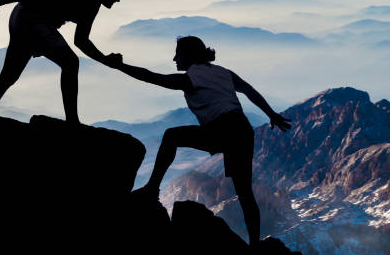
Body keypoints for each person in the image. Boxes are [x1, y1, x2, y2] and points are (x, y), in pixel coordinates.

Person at [114, 35, 291, 246]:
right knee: (245, 191)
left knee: (171, 136)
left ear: (188, 55)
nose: (174, 59)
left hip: (220, 129)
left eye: (177, 54)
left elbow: (151, 77)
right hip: (242, 129)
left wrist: (120, 66)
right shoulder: (224, 73)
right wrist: (271, 114)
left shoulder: (190, 78)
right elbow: (249, 91)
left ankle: (152, 189)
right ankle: (254, 244)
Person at [0, 0, 126, 124]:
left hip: (22, 18)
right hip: (31, 20)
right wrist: (0, 0)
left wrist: (105, 60)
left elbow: (81, 41)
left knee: (9, 76)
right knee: (71, 63)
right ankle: (72, 121)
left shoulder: (91, 3)